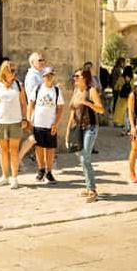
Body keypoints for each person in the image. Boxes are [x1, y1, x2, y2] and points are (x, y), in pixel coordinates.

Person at [0, 60, 28, 189]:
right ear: (4, 71)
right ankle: (5, 176)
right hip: (1, 121)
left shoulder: (18, 84)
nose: (14, 72)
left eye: (15, 70)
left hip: (15, 121)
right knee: (3, 150)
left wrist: (24, 118)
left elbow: (23, 103)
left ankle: (14, 178)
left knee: (14, 150)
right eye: (11, 70)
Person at [66, 67, 104, 202]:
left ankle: (92, 190)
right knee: (82, 157)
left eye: (78, 76)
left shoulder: (91, 91)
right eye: (74, 76)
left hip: (91, 127)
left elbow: (101, 110)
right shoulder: (76, 91)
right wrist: (68, 130)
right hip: (78, 128)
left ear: (85, 78)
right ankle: (88, 187)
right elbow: (72, 112)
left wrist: (87, 103)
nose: (75, 78)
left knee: (85, 157)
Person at [27, 66, 64, 184]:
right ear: (43, 77)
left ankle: (49, 171)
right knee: (38, 147)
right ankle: (41, 169)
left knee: (50, 149)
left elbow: (60, 107)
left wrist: (56, 123)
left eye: (51, 75)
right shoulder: (37, 89)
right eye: (46, 75)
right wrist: (29, 119)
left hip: (50, 124)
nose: (49, 77)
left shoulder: (56, 91)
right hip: (38, 123)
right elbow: (31, 103)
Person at [19, 52, 45, 162]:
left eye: (43, 60)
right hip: (37, 110)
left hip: (43, 111)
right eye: (39, 60)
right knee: (35, 137)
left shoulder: (41, 74)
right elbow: (31, 96)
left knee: (39, 137)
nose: (42, 62)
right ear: (32, 63)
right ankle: (18, 158)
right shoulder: (32, 76)